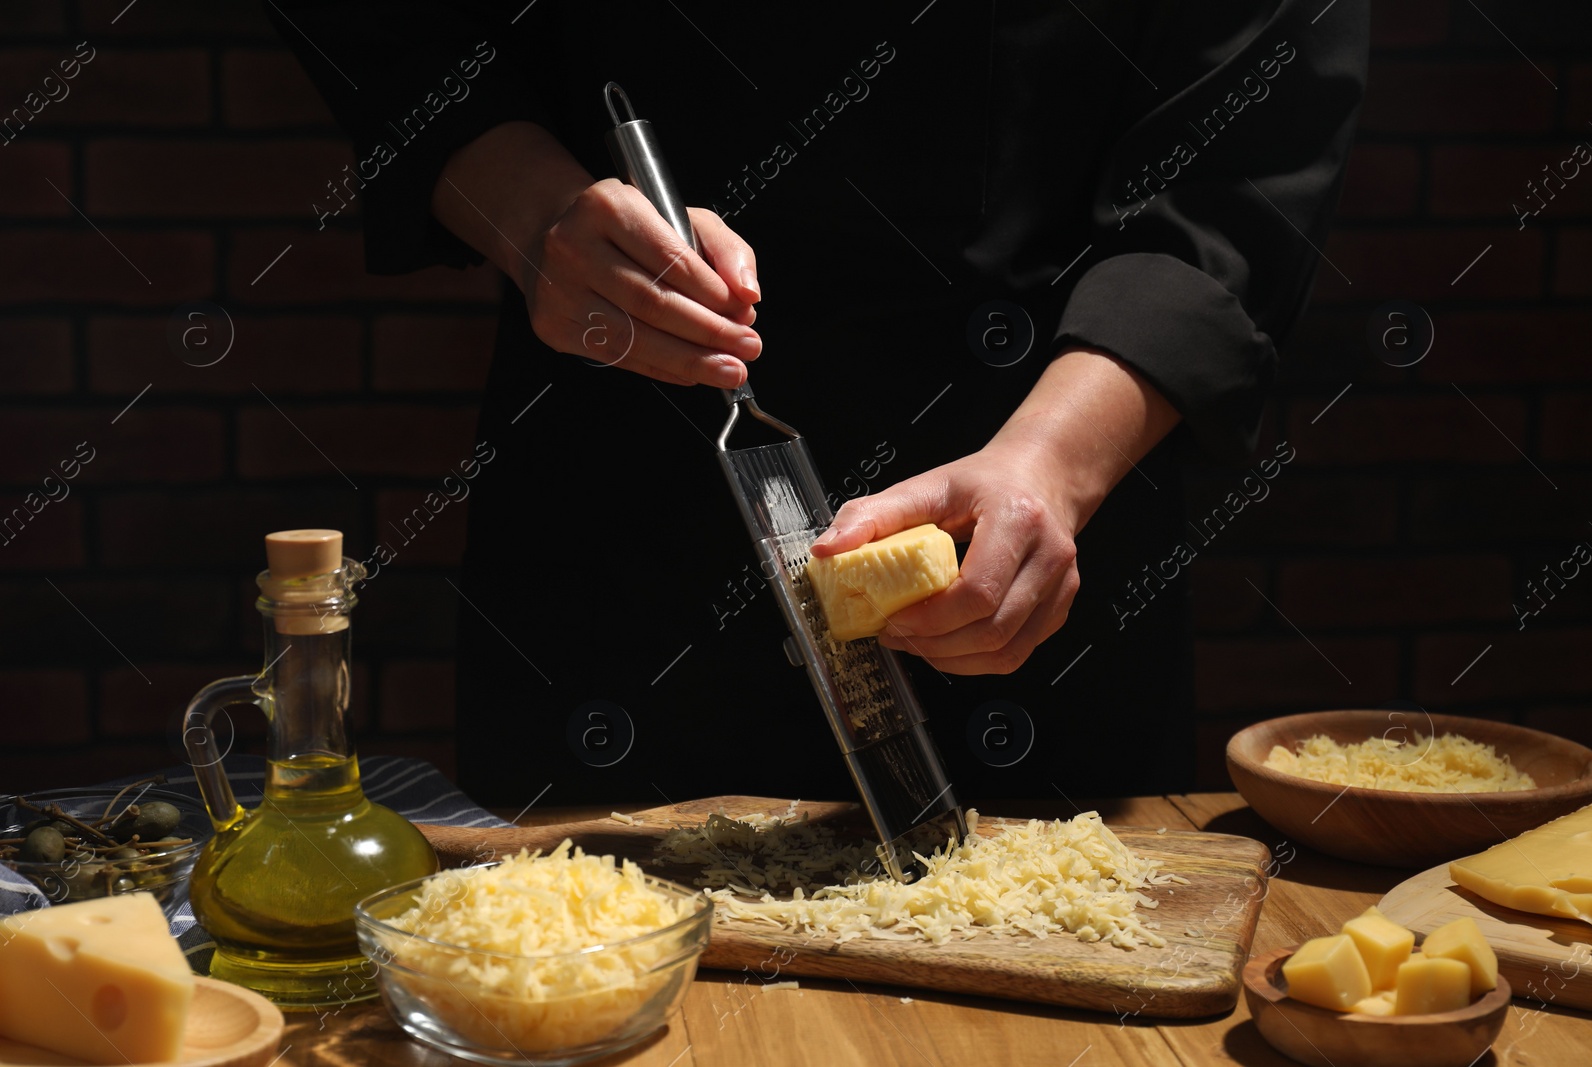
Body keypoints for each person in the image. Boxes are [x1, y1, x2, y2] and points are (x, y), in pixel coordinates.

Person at [269, 1, 1368, 807]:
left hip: (1029, 526)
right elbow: (399, 36)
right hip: (627, 504)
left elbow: (1245, 148)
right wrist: (535, 219)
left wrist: (1052, 463)